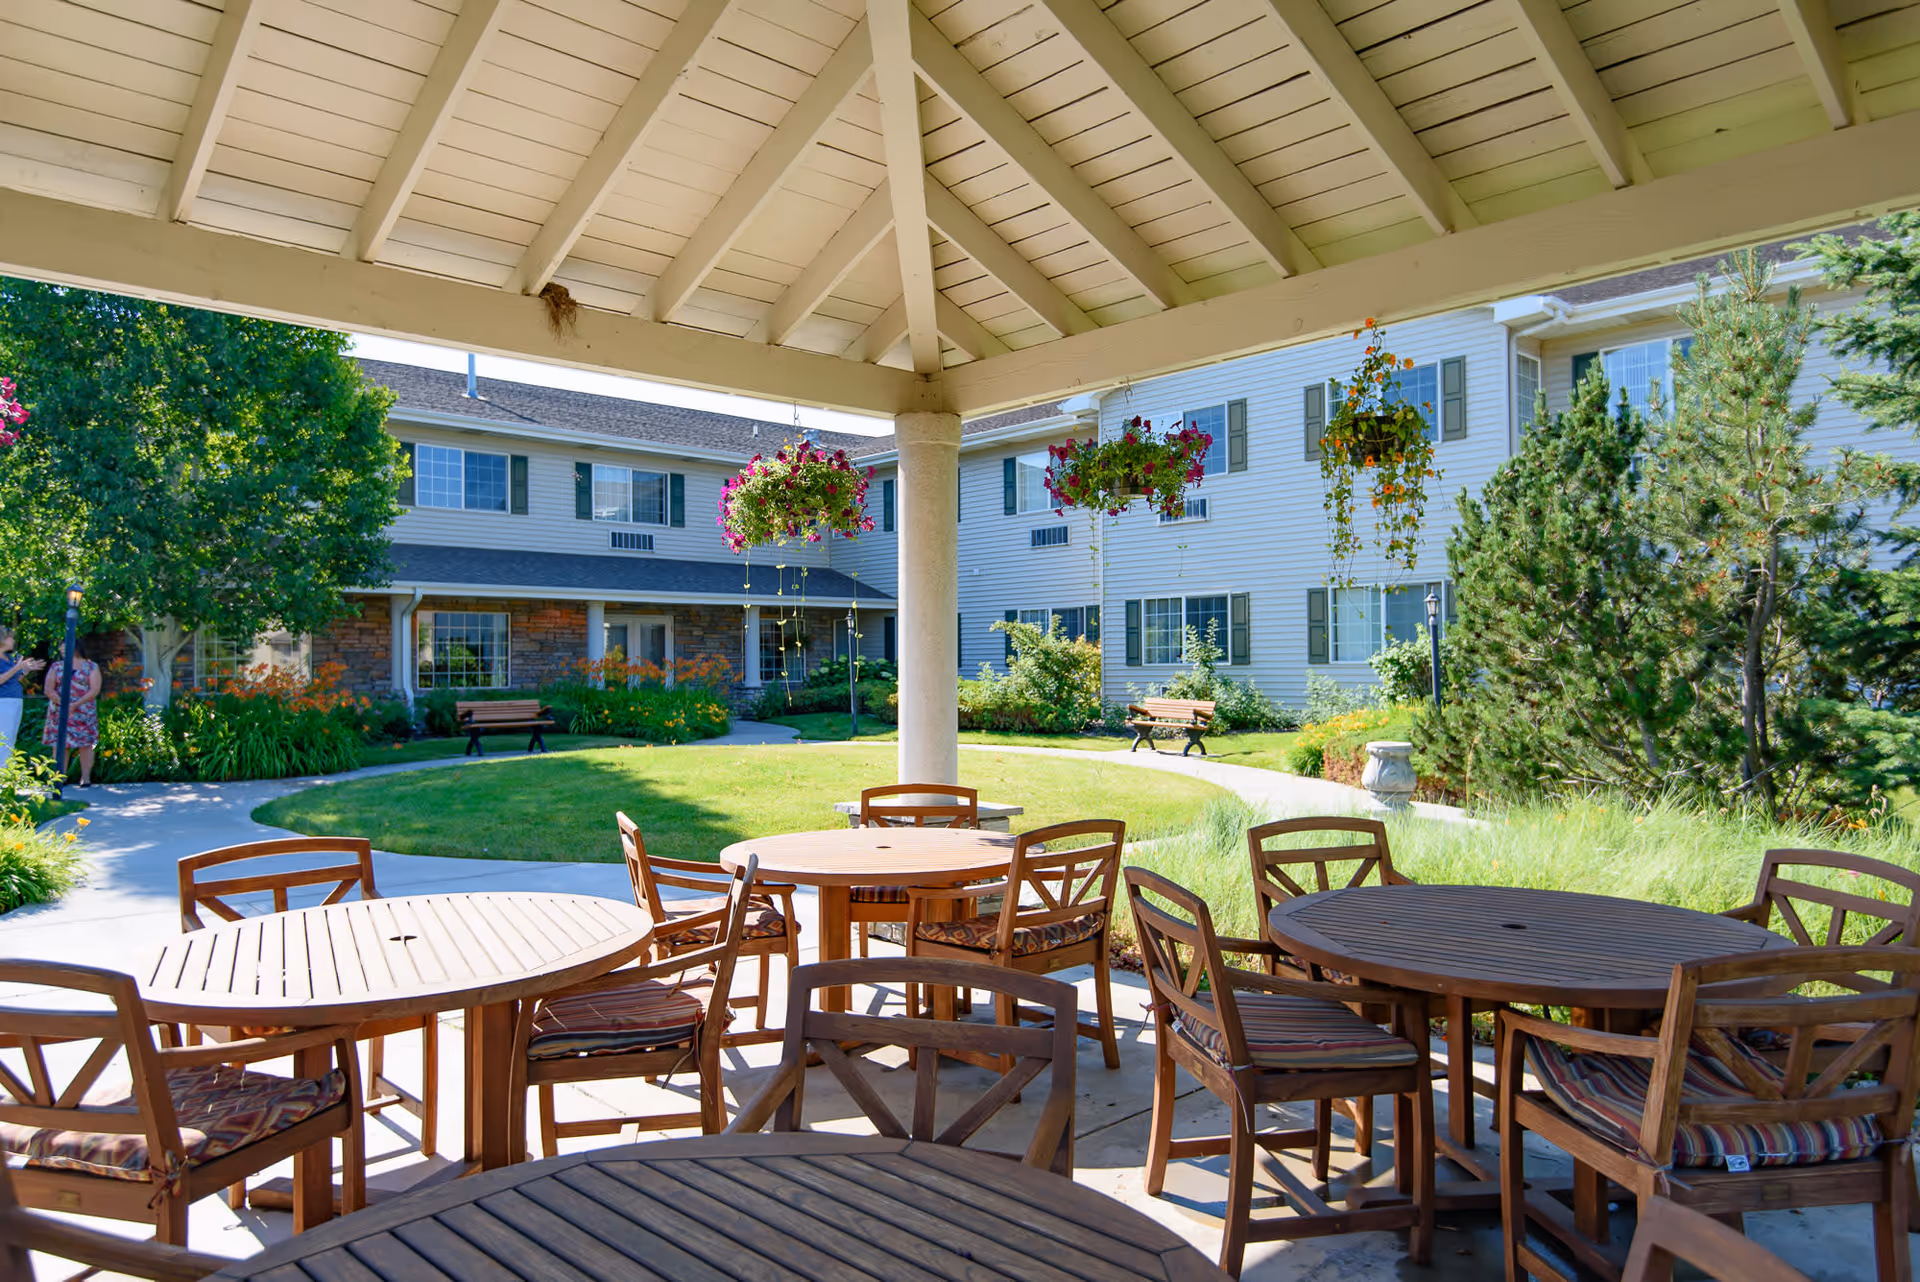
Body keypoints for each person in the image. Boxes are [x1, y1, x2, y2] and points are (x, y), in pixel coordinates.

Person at [42, 640, 101, 787]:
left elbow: (94, 689)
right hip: (60, 710)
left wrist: (75, 704)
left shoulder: (91, 666)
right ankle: (60, 777)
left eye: (64, 647)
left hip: (84, 710)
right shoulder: (56, 666)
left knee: (86, 744)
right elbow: (48, 689)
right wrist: (65, 704)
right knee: (61, 743)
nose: (62, 650)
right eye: (61, 649)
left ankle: (85, 778)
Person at [0, 627, 44, 768]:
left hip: (15, 700)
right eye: (10, 637)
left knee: (11, 736)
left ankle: (6, 773)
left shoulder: (10, 658)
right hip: (3, 702)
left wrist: (25, 670)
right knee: (4, 736)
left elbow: (14, 679)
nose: (13, 640)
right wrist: (17, 667)